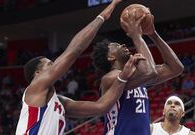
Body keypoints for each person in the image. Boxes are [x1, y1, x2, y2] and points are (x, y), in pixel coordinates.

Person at [15, 0, 143, 134]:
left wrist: (123, 77)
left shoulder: (60, 103)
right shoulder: (34, 88)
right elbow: (73, 51)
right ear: (37, 73)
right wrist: (101, 17)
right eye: (49, 64)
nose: (55, 66)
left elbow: (101, 107)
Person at [91, 12, 184, 135]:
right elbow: (149, 72)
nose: (123, 44)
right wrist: (136, 35)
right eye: (116, 46)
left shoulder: (138, 77)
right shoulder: (110, 79)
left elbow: (176, 68)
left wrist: (153, 35)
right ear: (110, 57)